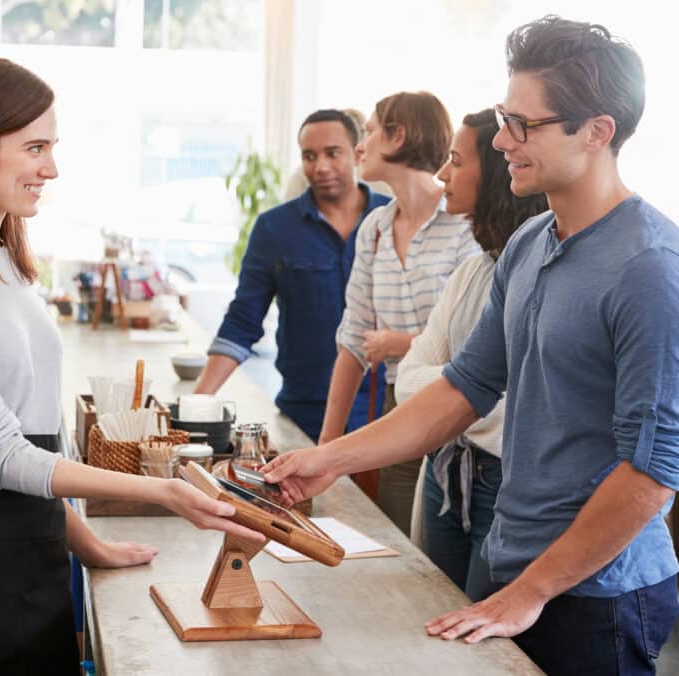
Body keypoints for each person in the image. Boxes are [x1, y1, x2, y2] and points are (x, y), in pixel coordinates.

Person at [264, 16, 679, 675]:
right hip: (509, 562)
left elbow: (651, 474)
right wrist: (330, 458)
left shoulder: (650, 269)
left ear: (597, 132)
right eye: (504, 119)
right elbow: (463, 389)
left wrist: (530, 593)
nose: (504, 139)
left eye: (523, 125)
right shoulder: (529, 243)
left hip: (598, 592)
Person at [0, 58, 262, 675]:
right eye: (35, 148)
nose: (50, 168)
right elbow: (0, 455)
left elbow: (37, 445)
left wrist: (88, 545)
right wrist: (164, 489)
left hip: (32, 554)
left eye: (51, 148)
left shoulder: (5, 262)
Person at [396, 108, 547, 601]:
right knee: (433, 616)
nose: (443, 174)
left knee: (483, 628)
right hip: (448, 472)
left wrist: (454, 398)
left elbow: (524, 406)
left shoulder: (542, 273)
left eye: (457, 162)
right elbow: (407, 381)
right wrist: (469, 393)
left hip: (503, 482)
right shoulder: (473, 272)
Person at [321, 91, 479, 536]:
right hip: (398, 408)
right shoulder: (374, 229)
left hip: (463, 414)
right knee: (396, 547)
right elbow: (353, 339)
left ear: (399, 135)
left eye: (370, 131)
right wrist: (326, 449)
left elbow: (479, 339)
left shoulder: (468, 225)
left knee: (447, 555)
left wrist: (399, 344)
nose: (360, 146)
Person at [194, 109, 390, 442]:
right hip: (304, 414)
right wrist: (198, 404)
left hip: (383, 412)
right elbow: (242, 321)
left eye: (333, 153)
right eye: (309, 156)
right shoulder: (274, 228)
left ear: (358, 153)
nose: (320, 166)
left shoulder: (391, 219)